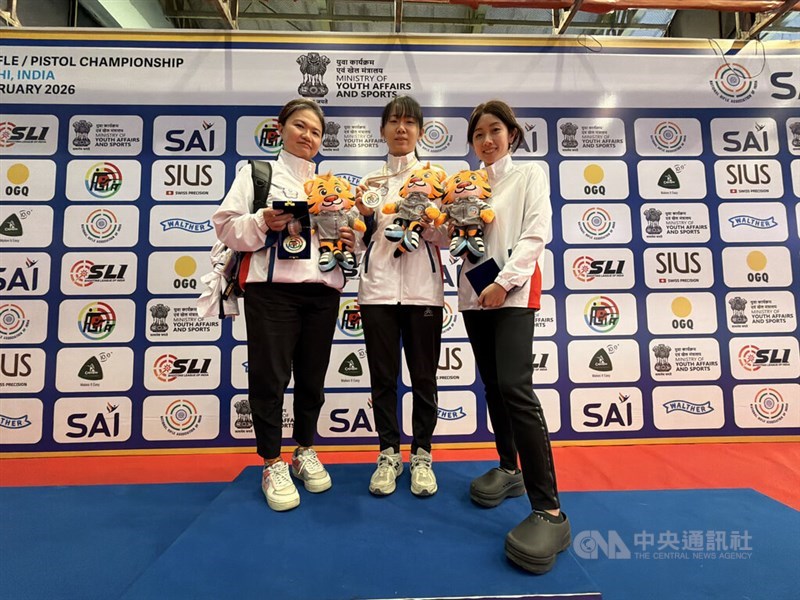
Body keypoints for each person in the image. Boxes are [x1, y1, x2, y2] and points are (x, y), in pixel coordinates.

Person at [212, 98, 355, 512]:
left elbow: (348, 241)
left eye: (315, 131)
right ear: (280, 127)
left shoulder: (332, 184)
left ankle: (305, 449)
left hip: (323, 292)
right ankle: (272, 461)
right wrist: (261, 221)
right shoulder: (257, 174)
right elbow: (225, 227)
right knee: (269, 378)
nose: (307, 136)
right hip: (271, 292)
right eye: (300, 126)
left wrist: (351, 242)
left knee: (312, 379)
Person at [461, 100, 570, 574]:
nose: (487, 140)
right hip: (472, 295)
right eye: (479, 134)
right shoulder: (463, 185)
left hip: (511, 293)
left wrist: (503, 282)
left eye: (495, 131)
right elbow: (454, 239)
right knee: (492, 386)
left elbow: (535, 234)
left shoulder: (529, 176)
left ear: (511, 135)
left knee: (515, 388)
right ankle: (510, 468)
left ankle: (550, 509)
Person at [354, 96, 449, 497]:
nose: (401, 128)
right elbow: (358, 246)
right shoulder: (368, 185)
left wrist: (428, 222)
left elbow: (448, 239)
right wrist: (360, 220)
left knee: (425, 379)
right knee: (383, 379)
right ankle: (389, 454)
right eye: (394, 121)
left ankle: (423, 455)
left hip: (423, 292)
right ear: (382, 130)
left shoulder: (438, 180)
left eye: (410, 122)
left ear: (421, 132)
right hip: (377, 293)